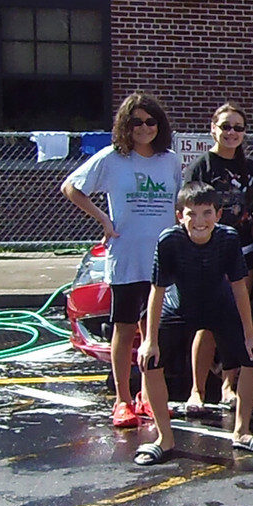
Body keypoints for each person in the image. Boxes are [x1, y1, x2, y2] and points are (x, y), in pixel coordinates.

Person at [61, 92, 182, 428]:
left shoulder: (170, 160)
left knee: (152, 332)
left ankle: (148, 396)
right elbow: (71, 187)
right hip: (127, 256)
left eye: (150, 121)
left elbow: (177, 203)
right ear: (125, 125)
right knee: (125, 328)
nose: (144, 128)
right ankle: (122, 400)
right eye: (136, 122)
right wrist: (103, 219)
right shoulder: (113, 158)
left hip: (160, 258)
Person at [133, 182, 253, 464]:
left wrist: (249, 333)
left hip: (219, 306)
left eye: (207, 213)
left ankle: (242, 432)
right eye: (191, 214)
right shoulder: (169, 240)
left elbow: (239, 287)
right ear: (179, 216)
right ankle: (164, 438)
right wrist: (150, 341)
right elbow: (157, 291)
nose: (200, 221)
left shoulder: (228, 238)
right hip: (179, 307)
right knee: (150, 361)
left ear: (218, 215)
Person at [183, 102, 253, 411]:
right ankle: (197, 390)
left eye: (238, 128)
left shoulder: (251, 169)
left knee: (235, 320)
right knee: (207, 324)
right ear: (213, 129)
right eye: (226, 126)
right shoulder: (201, 167)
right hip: (208, 253)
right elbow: (188, 211)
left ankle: (229, 385)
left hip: (243, 251)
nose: (232, 133)